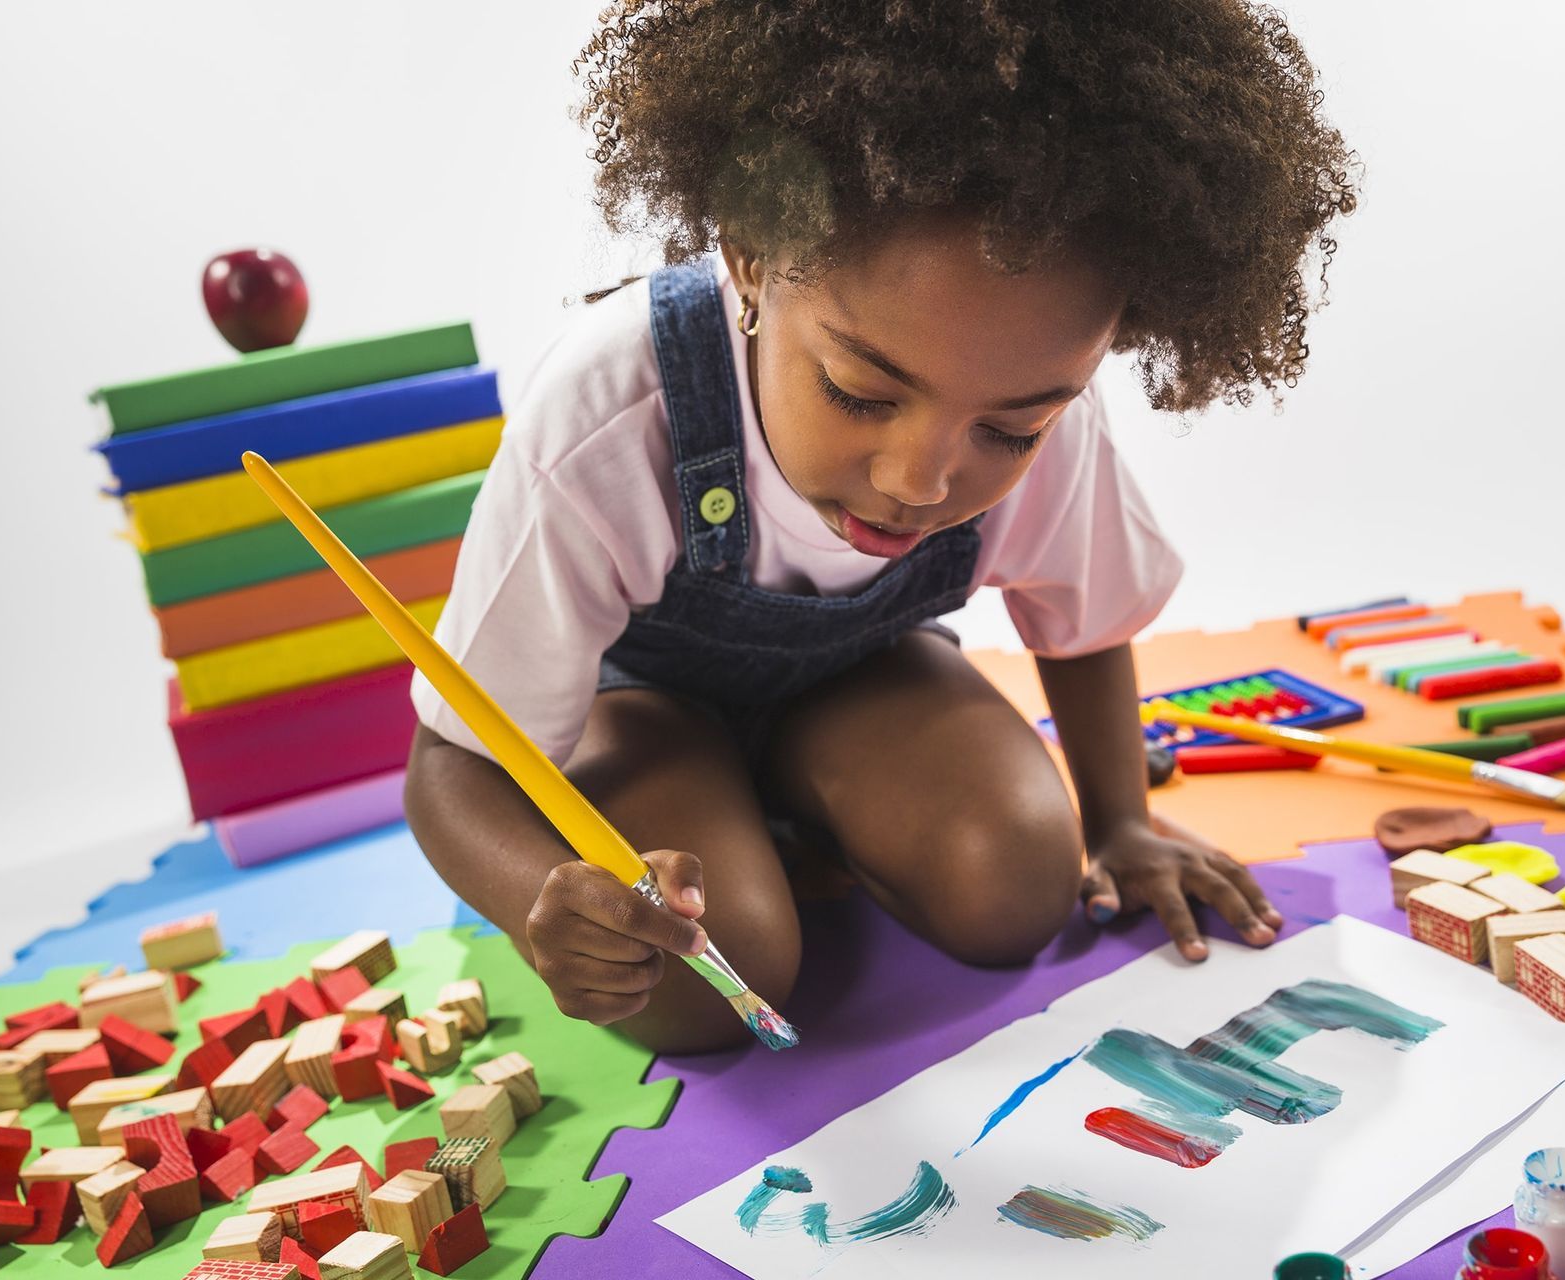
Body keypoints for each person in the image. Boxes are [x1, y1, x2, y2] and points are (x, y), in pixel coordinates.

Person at [405, 0, 1357, 1052]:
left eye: (1009, 431)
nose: (921, 479)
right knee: (700, 977)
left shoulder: (1049, 410)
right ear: (751, 254)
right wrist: (544, 896)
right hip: (642, 711)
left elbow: (1082, 620)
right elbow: (450, 766)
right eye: (861, 393)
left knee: (1017, 887)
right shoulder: (607, 420)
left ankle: (794, 810)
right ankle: (754, 826)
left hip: (863, 681)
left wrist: (1121, 821)